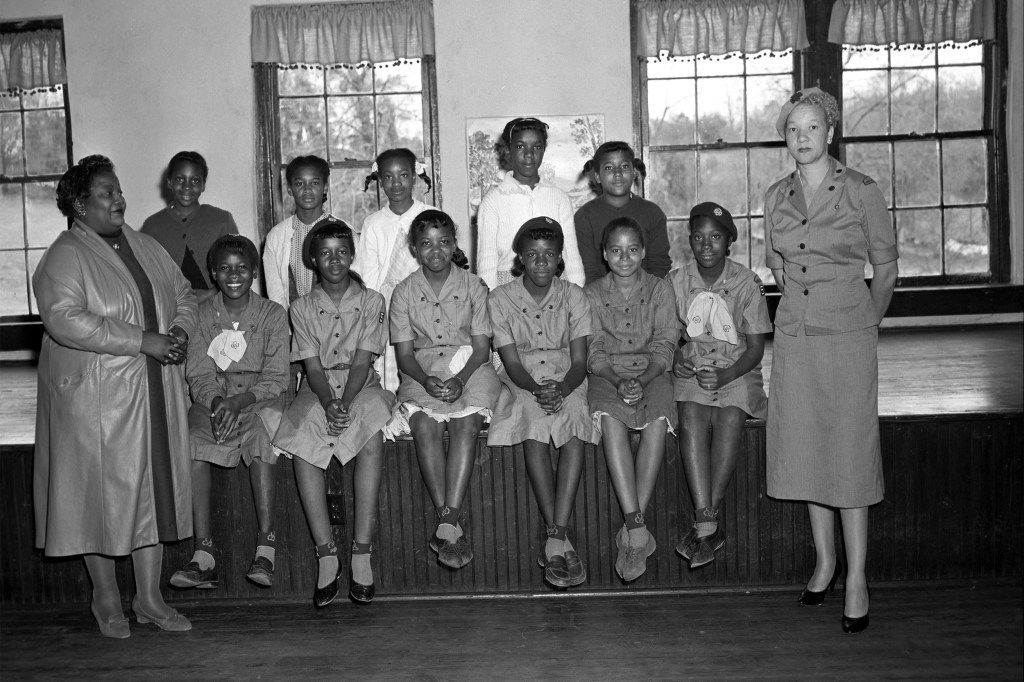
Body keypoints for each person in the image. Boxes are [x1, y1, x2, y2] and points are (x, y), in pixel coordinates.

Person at [34, 155, 197, 638]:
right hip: (96, 400)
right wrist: (143, 340)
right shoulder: (65, 254)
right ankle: (105, 597)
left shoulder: (145, 246)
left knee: (154, 492)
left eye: (119, 189)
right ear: (80, 205)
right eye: (106, 193)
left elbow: (184, 292)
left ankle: (149, 598)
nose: (118, 198)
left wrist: (181, 330)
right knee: (100, 498)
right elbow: (63, 318)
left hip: (154, 390)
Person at [764, 87, 899, 634]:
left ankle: (858, 579)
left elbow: (886, 269)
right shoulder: (776, 194)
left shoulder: (862, 190)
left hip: (848, 332)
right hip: (795, 335)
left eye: (812, 127)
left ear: (831, 131)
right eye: (793, 129)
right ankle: (824, 564)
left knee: (848, 450)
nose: (802, 138)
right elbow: (776, 264)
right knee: (806, 448)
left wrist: (865, 320)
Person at [273, 220, 395, 608]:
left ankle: (361, 551)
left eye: (342, 251)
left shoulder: (373, 301)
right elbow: (311, 368)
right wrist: (328, 402)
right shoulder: (302, 306)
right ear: (312, 259)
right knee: (302, 442)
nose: (334, 260)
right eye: (325, 253)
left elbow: (362, 363)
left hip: (361, 384)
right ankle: (327, 553)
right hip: (318, 385)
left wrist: (345, 402)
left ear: (352, 254)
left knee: (372, 433)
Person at [170, 235, 289, 591]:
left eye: (241, 268)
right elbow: (200, 372)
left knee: (263, 438)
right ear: (213, 273)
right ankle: (203, 554)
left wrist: (241, 402)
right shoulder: (204, 315)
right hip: (215, 402)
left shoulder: (272, 314)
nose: (233, 275)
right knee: (191, 440)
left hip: (258, 400)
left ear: (254, 272)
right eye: (224, 268)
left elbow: (278, 376)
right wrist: (217, 402)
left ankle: (266, 547)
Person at [389, 210, 501, 569]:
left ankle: (447, 523)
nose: (435, 250)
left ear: (454, 244)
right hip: (422, 372)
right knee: (424, 425)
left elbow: (482, 348)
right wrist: (425, 381)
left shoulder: (474, 286)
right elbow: (405, 355)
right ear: (414, 248)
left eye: (444, 242)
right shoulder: (404, 292)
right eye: (426, 243)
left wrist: (461, 379)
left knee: (466, 424)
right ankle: (448, 523)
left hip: (470, 367)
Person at [487, 217, 594, 589]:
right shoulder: (500, 299)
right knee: (532, 425)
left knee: (576, 425)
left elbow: (580, 361)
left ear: (560, 257)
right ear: (519, 257)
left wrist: (563, 388)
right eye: (532, 254)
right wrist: (535, 389)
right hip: (523, 380)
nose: (541, 262)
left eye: (549, 254)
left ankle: (555, 535)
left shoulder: (574, 296)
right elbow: (511, 361)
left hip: (567, 377)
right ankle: (559, 540)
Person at [670, 202, 770, 570]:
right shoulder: (676, 281)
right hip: (693, 367)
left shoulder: (747, 282)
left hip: (737, 370)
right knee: (690, 414)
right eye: (698, 237)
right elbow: (669, 338)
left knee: (730, 417)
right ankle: (708, 521)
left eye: (715, 237)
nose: (706, 244)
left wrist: (727, 376)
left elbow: (756, 348)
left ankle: (704, 524)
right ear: (689, 242)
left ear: (729, 241)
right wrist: (679, 360)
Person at [584, 217, 678, 582]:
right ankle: (638, 529)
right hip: (607, 375)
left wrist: (643, 378)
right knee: (609, 420)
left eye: (633, 250)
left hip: (652, 373)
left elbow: (665, 342)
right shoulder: (591, 293)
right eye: (616, 251)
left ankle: (632, 530)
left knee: (657, 419)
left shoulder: (660, 290)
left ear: (644, 252)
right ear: (605, 255)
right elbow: (593, 350)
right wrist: (617, 380)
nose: (625, 258)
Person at [476, 117, 585, 289]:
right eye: (520, 146)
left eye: (537, 147)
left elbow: (571, 255)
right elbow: (487, 262)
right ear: (508, 150)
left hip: (554, 284)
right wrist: (490, 300)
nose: (529, 154)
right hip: (509, 287)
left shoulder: (559, 198)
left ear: (544, 150)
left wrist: (577, 293)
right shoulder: (493, 201)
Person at [356, 148, 433, 393]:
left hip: (428, 302)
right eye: (388, 177)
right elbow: (369, 277)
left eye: (403, 175)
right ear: (379, 180)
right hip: (389, 306)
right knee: (393, 364)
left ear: (414, 176)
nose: (396, 183)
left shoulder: (430, 216)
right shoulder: (373, 223)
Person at [141, 150, 238, 299]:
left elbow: (237, 268)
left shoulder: (222, 220)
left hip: (217, 307)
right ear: (169, 182)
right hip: (171, 311)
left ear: (204, 185)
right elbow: (145, 276)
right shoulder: (152, 226)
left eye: (195, 180)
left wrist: (211, 293)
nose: (187, 186)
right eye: (180, 179)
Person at [574, 141, 672, 284]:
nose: (618, 173)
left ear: (634, 172)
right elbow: (588, 271)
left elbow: (659, 264)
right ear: (597, 177)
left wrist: (643, 295)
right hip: (600, 298)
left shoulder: (652, 213)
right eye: (609, 168)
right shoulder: (584, 216)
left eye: (624, 166)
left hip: (647, 297)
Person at [263, 155, 340, 312]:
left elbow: (356, 284)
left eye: (315, 183)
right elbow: (276, 293)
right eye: (299, 183)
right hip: (294, 326)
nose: (307, 190)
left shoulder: (343, 231)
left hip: (337, 325)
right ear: (290, 189)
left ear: (325, 187)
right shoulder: (276, 237)